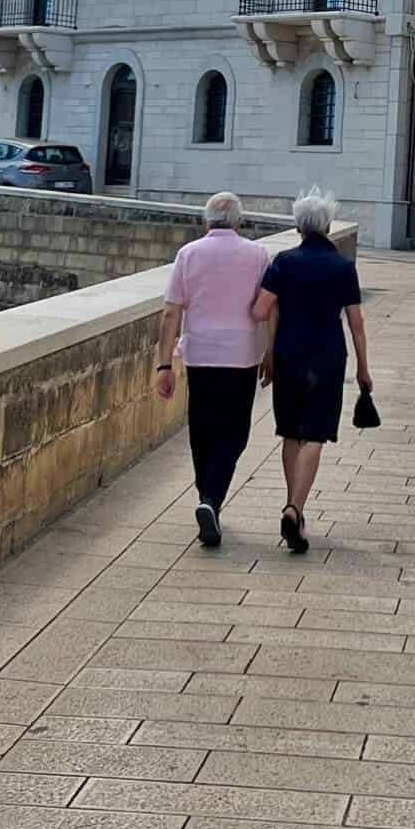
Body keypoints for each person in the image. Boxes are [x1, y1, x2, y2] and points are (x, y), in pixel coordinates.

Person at [256, 189, 371, 555]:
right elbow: (356, 323)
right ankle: (296, 509)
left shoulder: (283, 261)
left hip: (288, 353)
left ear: (298, 226)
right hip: (327, 357)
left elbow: (261, 309)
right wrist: (364, 369)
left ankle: (295, 507)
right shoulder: (342, 267)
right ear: (327, 226)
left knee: (290, 432)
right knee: (315, 434)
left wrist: (269, 351)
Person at [156, 191, 271, 548]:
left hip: (200, 354)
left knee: (202, 428)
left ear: (205, 222)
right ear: (240, 222)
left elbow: (170, 313)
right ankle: (211, 498)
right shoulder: (258, 255)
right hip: (241, 355)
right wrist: (272, 352)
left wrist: (164, 364)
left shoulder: (188, 255)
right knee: (234, 432)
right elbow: (269, 308)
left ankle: (206, 492)